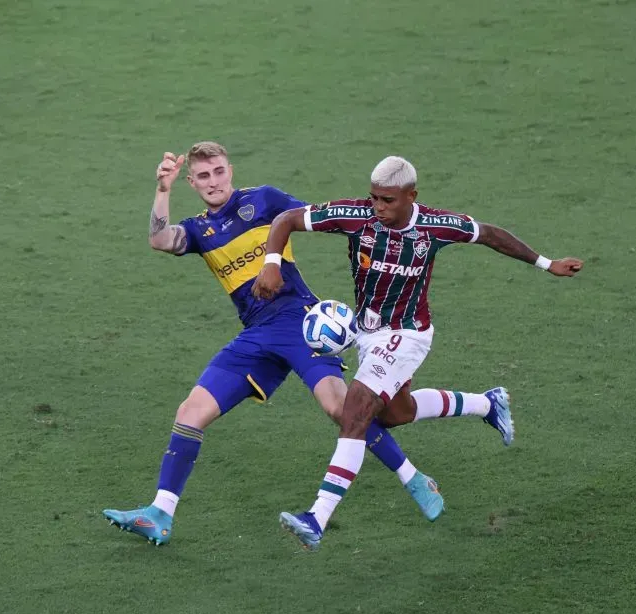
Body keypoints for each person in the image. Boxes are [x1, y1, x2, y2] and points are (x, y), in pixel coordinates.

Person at [104, 143, 463, 545]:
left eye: (218, 172)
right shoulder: (199, 230)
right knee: (191, 413)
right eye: (203, 176)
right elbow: (160, 240)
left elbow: (326, 217)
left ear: (230, 171)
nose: (213, 182)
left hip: (300, 324)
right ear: (192, 182)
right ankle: (160, 512)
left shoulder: (264, 200)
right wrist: (163, 189)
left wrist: (392, 227)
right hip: (255, 335)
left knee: (343, 410)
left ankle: (415, 480)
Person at [253, 155, 584, 550]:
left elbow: (491, 234)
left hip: (408, 334)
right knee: (396, 413)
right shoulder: (356, 216)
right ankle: (487, 404)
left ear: (412, 196)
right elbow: (285, 220)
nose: (378, 208)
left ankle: (317, 517)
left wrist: (548, 264)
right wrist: (270, 264)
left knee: (355, 411)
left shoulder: (436, 226)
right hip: (369, 332)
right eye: (374, 198)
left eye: (388, 200)